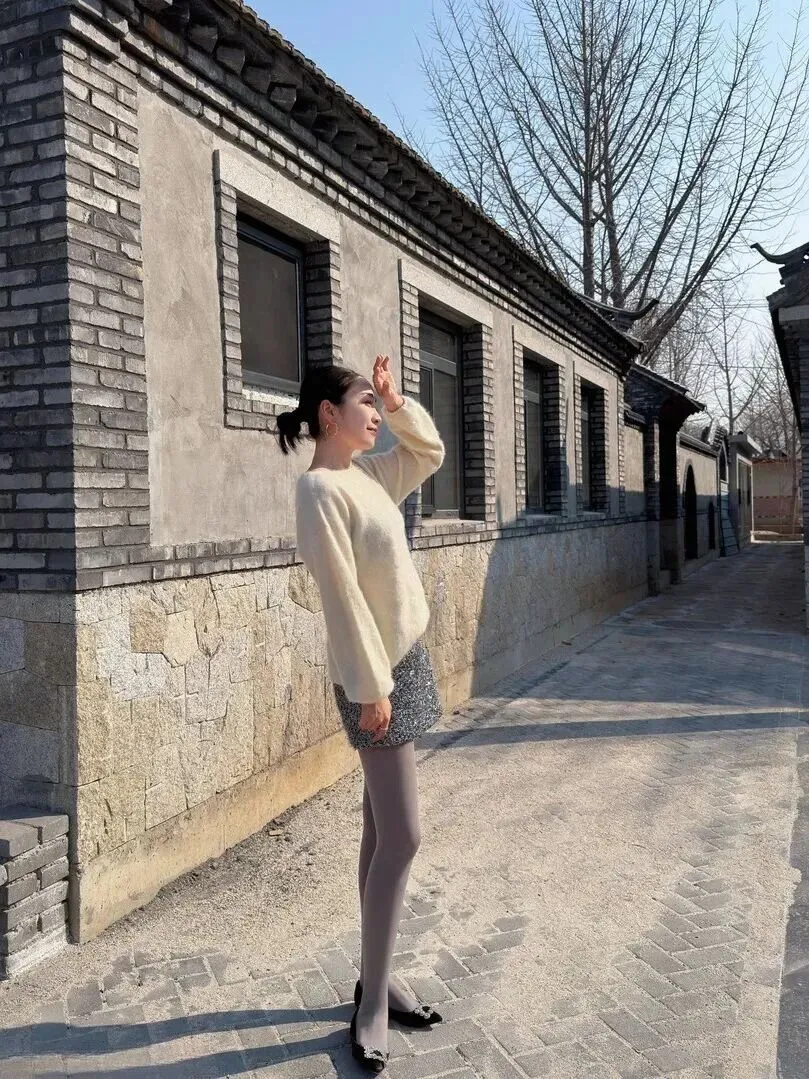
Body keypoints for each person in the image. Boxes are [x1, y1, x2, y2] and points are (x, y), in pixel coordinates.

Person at [276, 356, 447, 1072]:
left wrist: (401, 404)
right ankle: (372, 1000)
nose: (376, 414)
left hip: (406, 660)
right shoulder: (319, 489)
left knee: (381, 833)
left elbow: (429, 452)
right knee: (403, 836)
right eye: (366, 403)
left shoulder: (371, 475)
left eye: (378, 405)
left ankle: (378, 978)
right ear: (328, 414)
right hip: (373, 676)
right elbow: (341, 597)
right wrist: (371, 687)